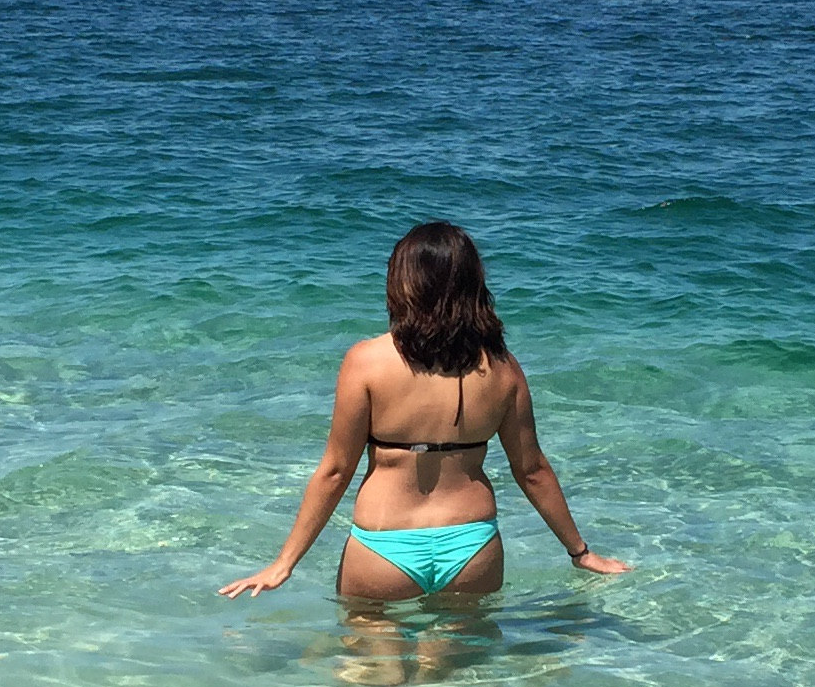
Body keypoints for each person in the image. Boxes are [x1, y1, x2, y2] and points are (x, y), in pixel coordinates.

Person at [221, 221, 629, 602]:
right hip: (472, 545)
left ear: (403, 283)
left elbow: (335, 471)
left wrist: (284, 563)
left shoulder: (366, 362)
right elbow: (532, 470)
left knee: (371, 672)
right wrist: (580, 552)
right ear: (473, 285)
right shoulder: (503, 369)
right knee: (461, 672)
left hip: (384, 546)